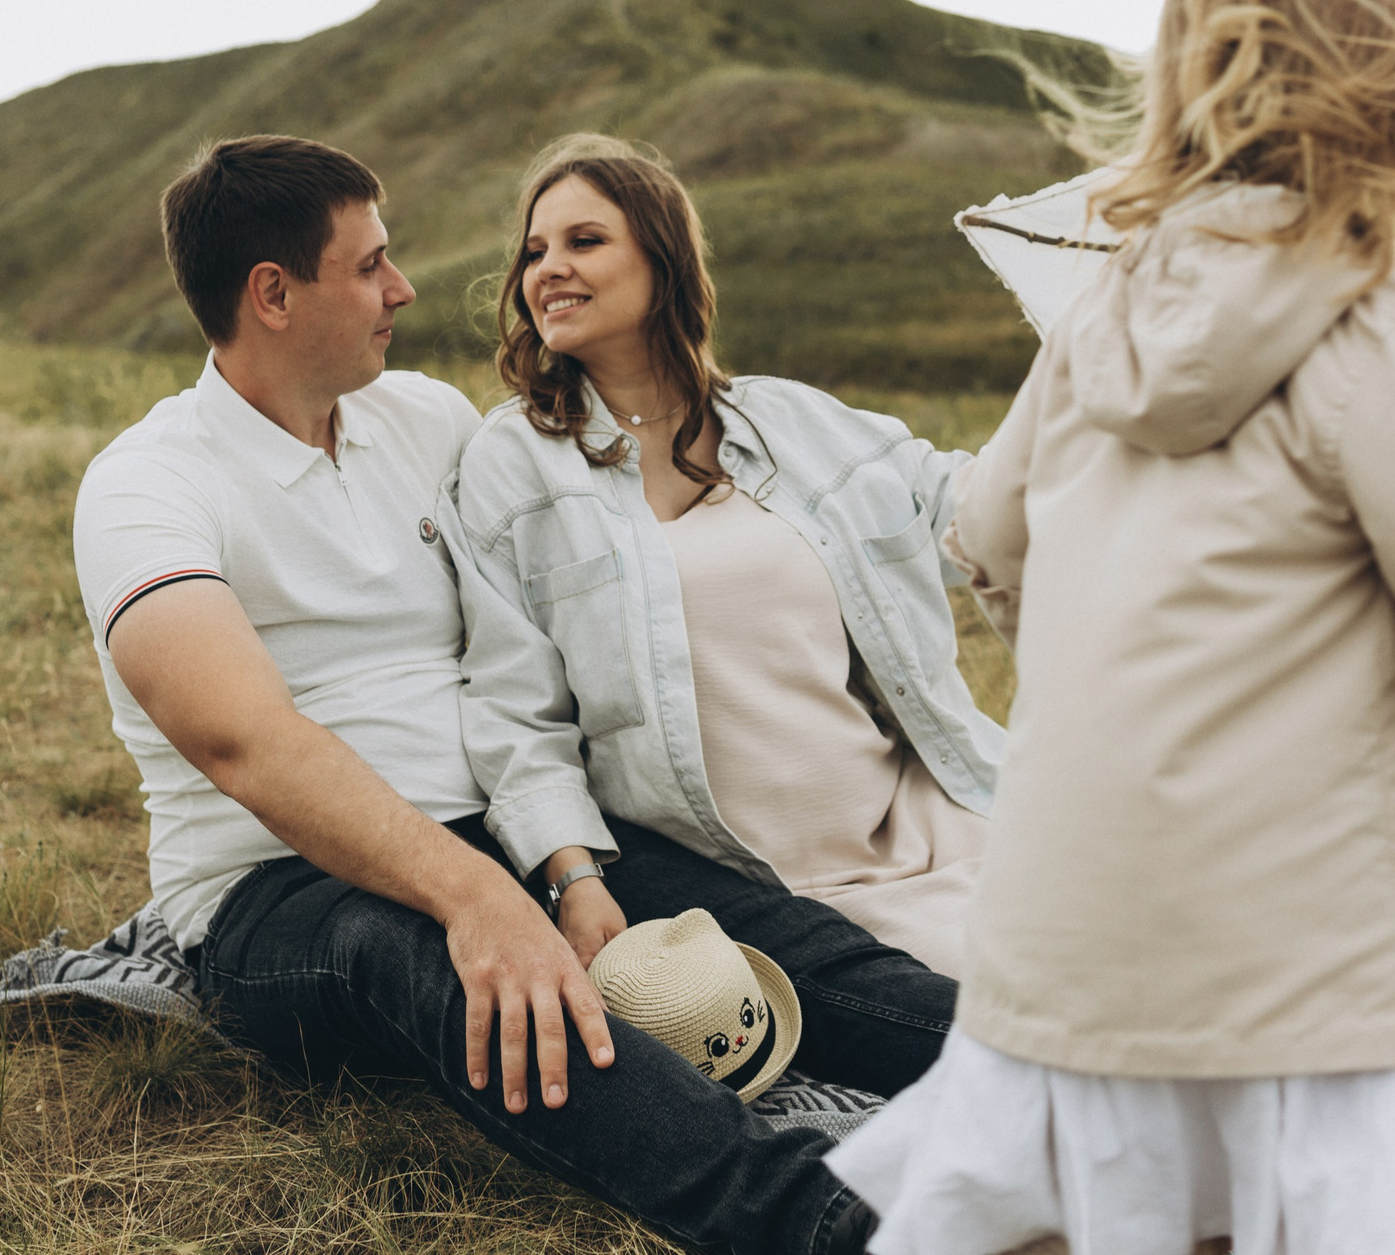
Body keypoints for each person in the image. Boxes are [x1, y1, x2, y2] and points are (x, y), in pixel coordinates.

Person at [825, 0, 1395, 1255]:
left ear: (1182, 78)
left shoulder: (1096, 320)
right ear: (1383, 77)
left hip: (1069, 928)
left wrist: (1090, 634)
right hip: (1305, 941)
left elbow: (985, 526)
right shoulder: (1387, 323)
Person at [69, 134, 935, 1255]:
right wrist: (477, 901)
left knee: (768, 932)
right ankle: (834, 1224)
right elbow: (246, 743)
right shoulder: (147, 482)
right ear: (273, 293)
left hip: (500, 828)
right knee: (463, 976)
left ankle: (1090, 1083)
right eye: (372, 264)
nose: (404, 289)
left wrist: (554, 862)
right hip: (276, 892)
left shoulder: (421, 421)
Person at [446, 136, 1002, 978]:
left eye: (583, 241)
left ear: (662, 260)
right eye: (534, 252)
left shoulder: (791, 422)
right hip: (757, 888)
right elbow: (515, 710)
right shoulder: (512, 463)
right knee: (1015, 1018)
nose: (547, 268)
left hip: (924, 818)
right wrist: (571, 872)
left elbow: (968, 501)